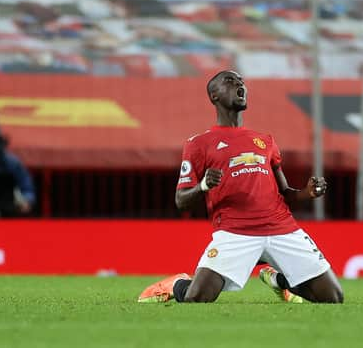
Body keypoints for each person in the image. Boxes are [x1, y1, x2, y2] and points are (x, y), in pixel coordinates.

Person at [138, 71, 343, 304]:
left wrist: (307, 192)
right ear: (213, 96)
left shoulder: (265, 140)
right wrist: (203, 185)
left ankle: (278, 280)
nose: (239, 85)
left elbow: (285, 193)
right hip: (235, 233)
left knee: (333, 298)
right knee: (197, 298)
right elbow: (181, 200)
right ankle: (176, 285)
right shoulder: (198, 144)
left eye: (241, 82)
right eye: (230, 81)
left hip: (282, 229)